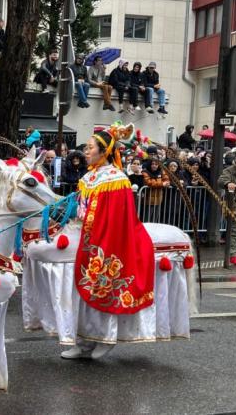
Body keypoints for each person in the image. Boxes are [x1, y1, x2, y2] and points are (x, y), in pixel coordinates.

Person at [61, 124, 155, 360]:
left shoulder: (116, 178)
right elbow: (81, 207)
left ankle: (106, 338)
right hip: (87, 236)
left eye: (90, 147)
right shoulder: (89, 176)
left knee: (104, 285)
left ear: (104, 151)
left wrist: (96, 236)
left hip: (107, 240)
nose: (85, 151)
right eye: (86, 147)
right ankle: (82, 342)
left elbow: (116, 217)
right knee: (80, 293)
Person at [218, 146, 236, 265]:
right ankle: (233, 254)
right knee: (235, 228)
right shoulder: (230, 170)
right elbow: (221, 180)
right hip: (235, 203)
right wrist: (228, 183)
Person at [141, 147, 170, 223]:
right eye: (152, 164)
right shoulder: (145, 171)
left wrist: (166, 182)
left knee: (155, 220)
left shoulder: (161, 171)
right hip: (148, 200)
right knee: (147, 220)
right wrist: (162, 184)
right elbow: (149, 182)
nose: (154, 166)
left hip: (158, 200)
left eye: (156, 164)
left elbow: (166, 178)